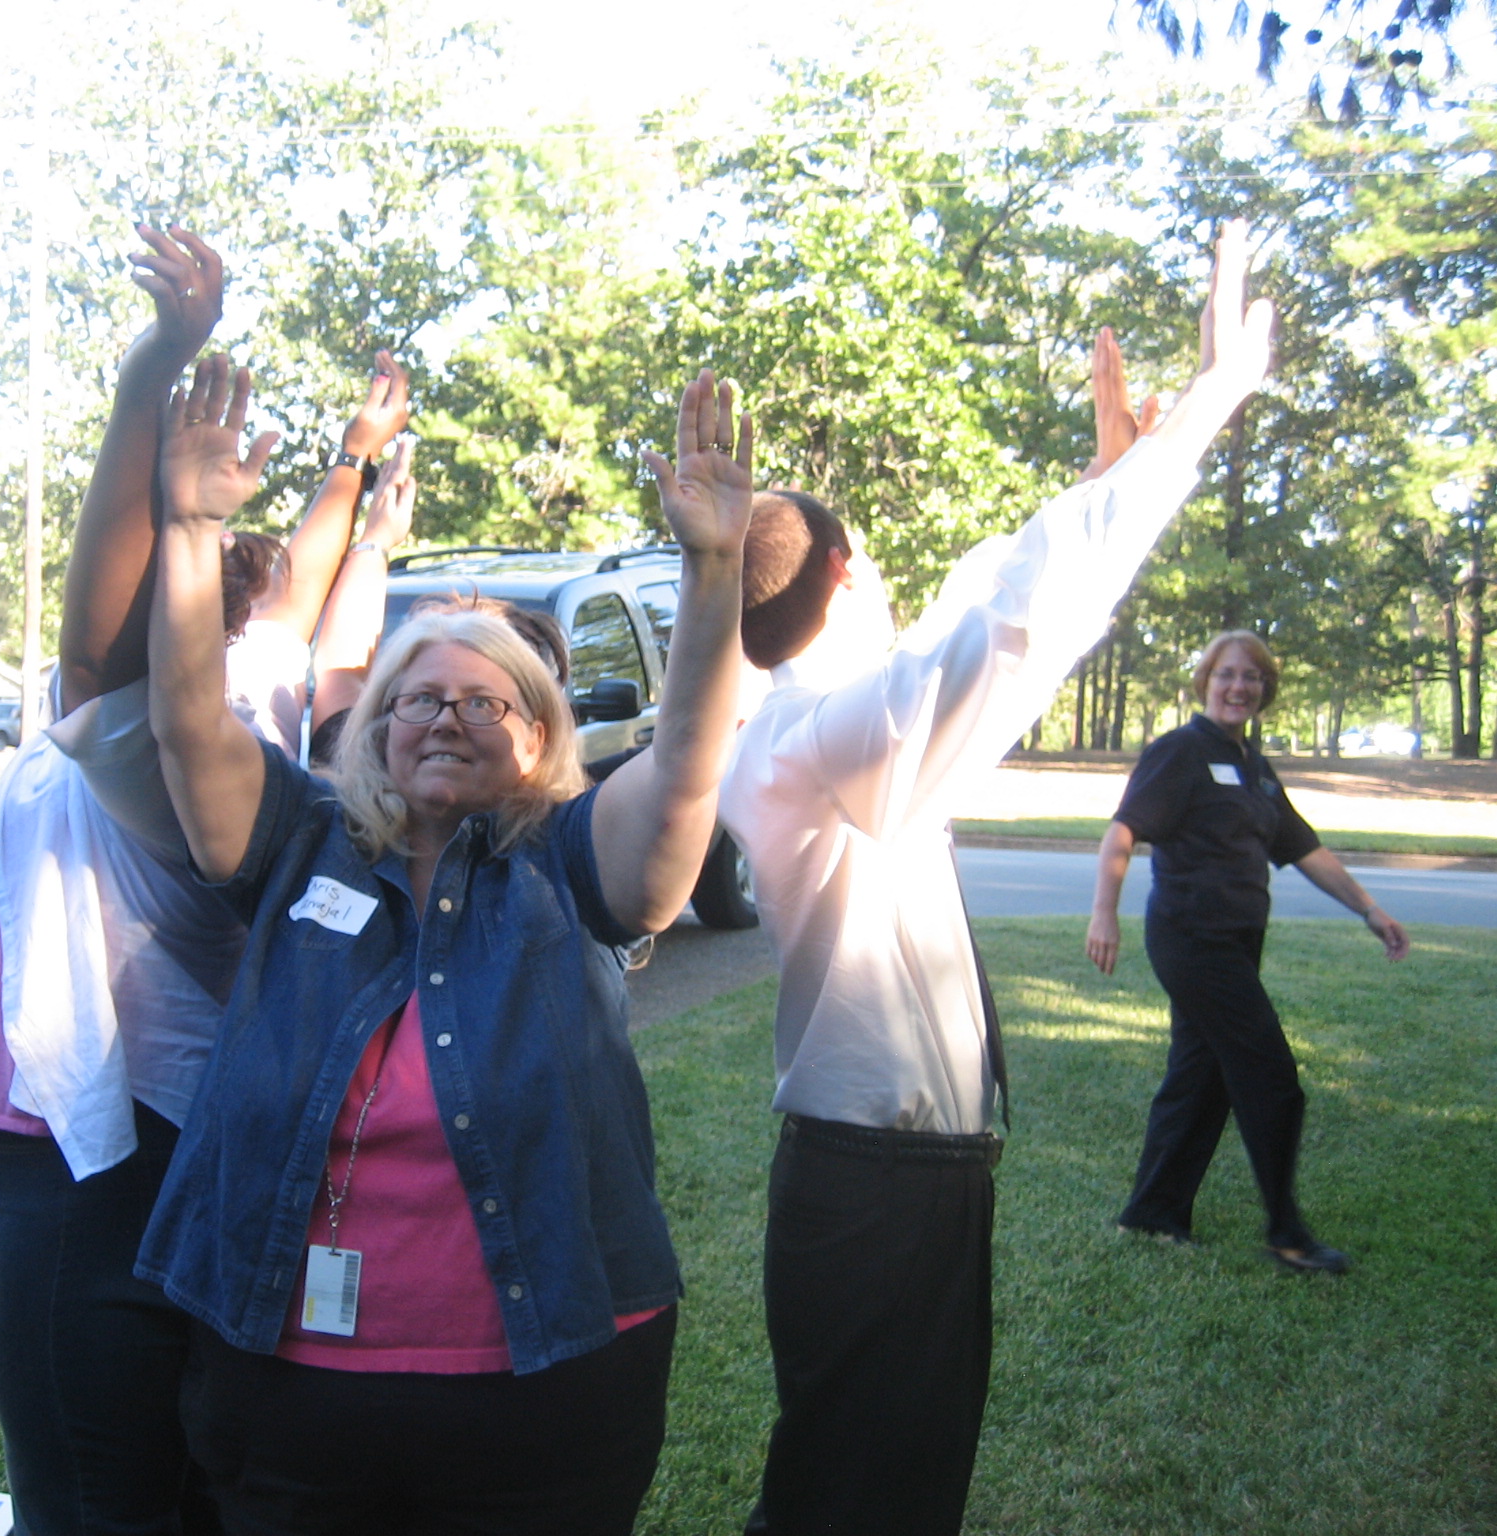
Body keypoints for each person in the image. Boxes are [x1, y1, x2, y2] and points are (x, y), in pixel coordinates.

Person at [718, 221, 1276, 1536]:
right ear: (851, 572)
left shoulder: (822, 720)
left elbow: (982, 603)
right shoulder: (814, 740)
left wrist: (1107, 471)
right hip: (877, 1183)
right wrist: (1201, 417)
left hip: (896, 1176)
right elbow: (1009, 622)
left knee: (883, 1494)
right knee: (856, 1506)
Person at [134, 359, 753, 1534]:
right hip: (287, 1383)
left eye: (488, 703)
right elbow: (182, 718)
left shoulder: (569, 860)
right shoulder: (295, 841)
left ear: (539, 742)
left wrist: (712, 567)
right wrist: (189, 527)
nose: (446, 718)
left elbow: (683, 768)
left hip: (547, 1388)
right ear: (371, 726)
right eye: (418, 697)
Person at [0, 220, 415, 1536]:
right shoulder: (207, 710)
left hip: (90, 1169)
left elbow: (106, 656)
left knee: (103, 1498)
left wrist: (157, 367)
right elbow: (308, 571)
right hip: (51, 1147)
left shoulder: (177, 743)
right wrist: (348, 465)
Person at [1087, 630, 1410, 1273]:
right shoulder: (1179, 751)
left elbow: (1304, 849)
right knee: (1271, 1079)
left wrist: (1370, 909)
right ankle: (1287, 1233)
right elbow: (1124, 830)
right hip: (1190, 936)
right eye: (1228, 674)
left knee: (1200, 1077)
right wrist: (1105, 912)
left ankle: (1152, 1214)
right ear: (1205, 680)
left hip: (1237, 939)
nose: (1240, 687)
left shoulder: (1255, 767)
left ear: (1265, 691)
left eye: (1253, 677)